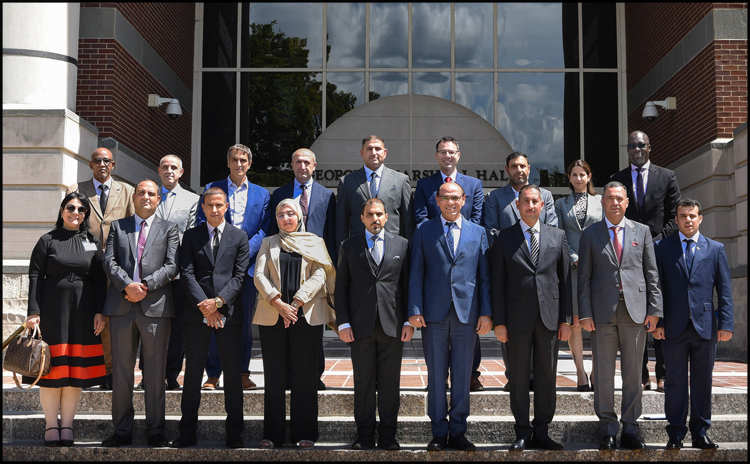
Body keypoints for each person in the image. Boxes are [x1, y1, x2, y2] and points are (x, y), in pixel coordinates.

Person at [578, 181, 662, 451]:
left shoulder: (643, 232)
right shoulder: (590, 234)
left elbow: (652, 274)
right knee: (603, 374)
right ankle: (607, 428)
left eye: (620, 198)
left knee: (633, 373)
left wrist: (655, 310)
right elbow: (584, 279)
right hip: (601, 314)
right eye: (610, 198)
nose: (615, 202)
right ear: (603, 202)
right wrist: (585, 313)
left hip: (636, 313)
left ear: (627, 203)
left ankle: (631, 428)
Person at [408, 182, 492, 452]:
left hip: (466, 315)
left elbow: (484, 278)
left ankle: (458, 430)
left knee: (462, 373)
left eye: (456, 198)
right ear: (437, 200)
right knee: (435, 375)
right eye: (445, 198)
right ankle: (438, 431)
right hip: (433, 314)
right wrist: (414, 309)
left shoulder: (477, 232)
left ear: (464, 199)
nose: (451, 202)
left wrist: (486, 312)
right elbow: (416, 273)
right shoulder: (424, 231)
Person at [492, 184, 573, 451]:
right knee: (517, 376)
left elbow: (565, 280)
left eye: (534, 201)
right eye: (525, 201)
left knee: (547, 375)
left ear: (542, 205)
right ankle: (522, 431)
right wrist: (499, 322)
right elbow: (498, 283)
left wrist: (566, 319)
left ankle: (542, 430)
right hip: (515, 320)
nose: (530, 205)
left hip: (549, 318)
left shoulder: (557, 235)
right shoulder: (504, 237)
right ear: (517, 205)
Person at [101, 179, 180, 448]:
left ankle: (156, 430)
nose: (146, 197)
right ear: (133, 197)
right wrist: (127, 285)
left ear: (159, 199)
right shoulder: (118, 226)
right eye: (141, 193)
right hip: (122, 307)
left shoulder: (170, 229)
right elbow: (108, 261)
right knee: (121, 372)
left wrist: (145, 286)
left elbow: (172, 266)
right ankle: (122, 430)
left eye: (151, 194)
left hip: (155, 308)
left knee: (155, 374)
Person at [24, 192, 107, 447]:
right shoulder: (47, 240)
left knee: (75, 373)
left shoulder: (92, 242)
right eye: (71, 208)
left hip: (83, 314)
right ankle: (51, 425)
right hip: (50, 313)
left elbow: (99, 279)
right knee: (50, 371)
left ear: (85, 215)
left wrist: (100, 311)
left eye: (81, 210)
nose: (76, 213)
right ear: (62, 211)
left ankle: (67, 425)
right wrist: (33, 312)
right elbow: (35, 276)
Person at [253, 199, 336, 450]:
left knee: (305, 376)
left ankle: (306, 432)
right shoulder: (268, 242)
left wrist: (297, 301)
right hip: (273, 315)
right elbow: (258, 275)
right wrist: (278, 302)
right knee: (275, 376)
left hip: (306, 315)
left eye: (291, 213)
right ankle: (273, 434)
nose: (286, 218)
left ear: (299, 216)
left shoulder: (314, 241)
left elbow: (321, 273)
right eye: (281, 214)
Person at [172, 187, 250, 449]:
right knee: (193, 374)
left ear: (226, 206)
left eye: (219, 205)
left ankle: (235, 433)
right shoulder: (191, 236)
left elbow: (239, 277)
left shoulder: (239, 236)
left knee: (232, 372)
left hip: (228, 314)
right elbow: (187, 272)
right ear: (202, 208)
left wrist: (217, 303)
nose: (214, 210)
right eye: (209, 205)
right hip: (196, 314)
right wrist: (204, 306)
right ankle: (187, 432)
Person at [653, 199, 733, 451]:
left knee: (702, 381)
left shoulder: (716, 249)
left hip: (705, 326)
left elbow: (725, 289)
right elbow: (657, 288)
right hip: (673, 327)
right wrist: (658, 321)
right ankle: (675, 433)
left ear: (701, 218)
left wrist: (726, 323)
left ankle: (700, 432)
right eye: (683, 216)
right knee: (674, 381)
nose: (688, 220)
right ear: (676, 220)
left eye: (692, 215)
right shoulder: (662, 248)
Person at [336, 198, 413, 450]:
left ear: (387, 216)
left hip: (393, 326)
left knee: (391, 384)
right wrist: (343, 322)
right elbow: (341, 289)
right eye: (370, 214)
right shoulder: (348, 246)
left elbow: (407, 286)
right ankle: (365, 435)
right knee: (364, 383)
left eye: (379, 214)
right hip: (359, 327)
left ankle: (389, 435)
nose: (375, 218)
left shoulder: (402, 244)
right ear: (362, 218)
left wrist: (409, 321)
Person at [611, 130, 681, 392]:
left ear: (650, 147)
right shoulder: (617, 179)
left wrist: (658, 241)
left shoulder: (667, 176)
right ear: (627, 149)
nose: (637, 149)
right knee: (633, 312)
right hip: (627, 254)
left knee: (658, 311)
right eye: (632, 146)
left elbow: (675, 215)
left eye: (641, 145)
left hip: (659, 251)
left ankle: (662, 373)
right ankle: (640, 374)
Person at [196, 144, 270, 390]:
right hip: (216, 268)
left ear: (249, 164)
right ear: (228, 162)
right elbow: (201, 221)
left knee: (243, 324)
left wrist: (243, 250)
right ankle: (214, 374)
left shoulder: (262, 195)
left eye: (244, 160)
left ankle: (242, 372)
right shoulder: (211, 189)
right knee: (215, 320)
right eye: (235, 160)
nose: (239, 164)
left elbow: (264, 229)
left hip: (246, 269)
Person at [414, 136, 486, 392]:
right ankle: (439, 378)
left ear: (458, 154)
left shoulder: (474, 184)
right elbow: (421, 219)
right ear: (436, 156)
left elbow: (477, 219)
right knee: (437, 338)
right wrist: (439, 234)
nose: (447, 156)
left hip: (465, 252)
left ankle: (470, 375)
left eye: (451, 152)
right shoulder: (425, 185)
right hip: (435, 252)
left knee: (468, 334)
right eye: (442, 152)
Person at [482, 151, 557, 392]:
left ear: (529, 167)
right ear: (507, 170)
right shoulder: (495, 197)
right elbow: (491, 231)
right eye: (514, 166)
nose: (519, 170)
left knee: (540, 329)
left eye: (522, 166)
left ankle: (537, 377)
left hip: (541, 267)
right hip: (510, 268)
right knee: (512, 329)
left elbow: (552, 228)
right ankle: (514, 376)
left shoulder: (545, 196)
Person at [66, 147, 135, 390]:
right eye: (97, 161)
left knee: (112, 322)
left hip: (117, 267)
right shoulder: (76, 189)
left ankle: (110, 372)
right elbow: (72, 226)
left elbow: (133, 228)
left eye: (106, 161)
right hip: (88, 266)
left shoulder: (127, 191)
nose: (102, 164)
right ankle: (85, 370)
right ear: (90, 164)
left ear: (113, 164)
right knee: (88, 320)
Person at [269, 148, 336, 390]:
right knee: (286, 322)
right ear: (292, 165)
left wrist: (330, 270)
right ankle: (288, 375)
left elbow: (331, 233)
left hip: (314, 270)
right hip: (285, 267)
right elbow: (271, 231)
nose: (302, 166)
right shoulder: (279, 194)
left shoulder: (327, 196)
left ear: (315, 165)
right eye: (298, 162)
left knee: (313, 322)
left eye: (307, 162)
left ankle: (314, 375)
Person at [136, 154, 199, 391]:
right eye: (165, 167)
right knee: (149, 325)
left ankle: (171, 374)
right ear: (159, 171)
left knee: (177, 328)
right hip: (149, 275)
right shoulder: (148, 196)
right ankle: (148, 374)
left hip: (177, 275)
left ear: (181, 172)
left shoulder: (193, 200)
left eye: (174, 167)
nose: (169, 171)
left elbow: (190, 236)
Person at [554, 160, 603, 391]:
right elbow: (559, 234)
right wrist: (573, 255)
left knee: (597, 322)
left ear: (589, 176)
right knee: (575, 322)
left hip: (598, 267)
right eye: (574, 175)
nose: (578, 179)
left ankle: (596, 371)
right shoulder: (560, 204)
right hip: (572, 267)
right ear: (569, 177)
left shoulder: (601, 201)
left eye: (582, 174)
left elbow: (604, 231)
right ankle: (580, 372)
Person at [336, 135, 414, 247]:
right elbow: (341, 224)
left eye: (377, 149)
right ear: (362, 153)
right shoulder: (347, 182)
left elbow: (408, 222)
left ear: (385, 152)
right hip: (358, 250)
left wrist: (409, 254)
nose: (373, 153)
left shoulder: (400, 180)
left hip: (393, 249)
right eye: (369, 149)